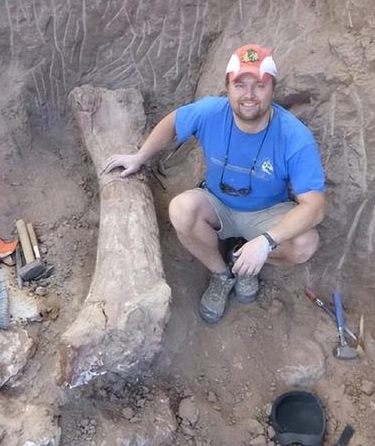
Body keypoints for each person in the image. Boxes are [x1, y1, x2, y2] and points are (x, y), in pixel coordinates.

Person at [104, 44, 326, 324]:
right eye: (240, 84)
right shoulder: (211, 112)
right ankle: (222, 274)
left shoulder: (294, 136)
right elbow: (174, 122)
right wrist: (140, 156)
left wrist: (266, 242)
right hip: (218, 203)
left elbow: (314, 207)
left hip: (267, 213)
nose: (249, 95)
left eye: (259, 85)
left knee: (306, 243)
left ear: (272, 89)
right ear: (228, 87)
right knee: (181, 210)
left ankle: (243, 261)